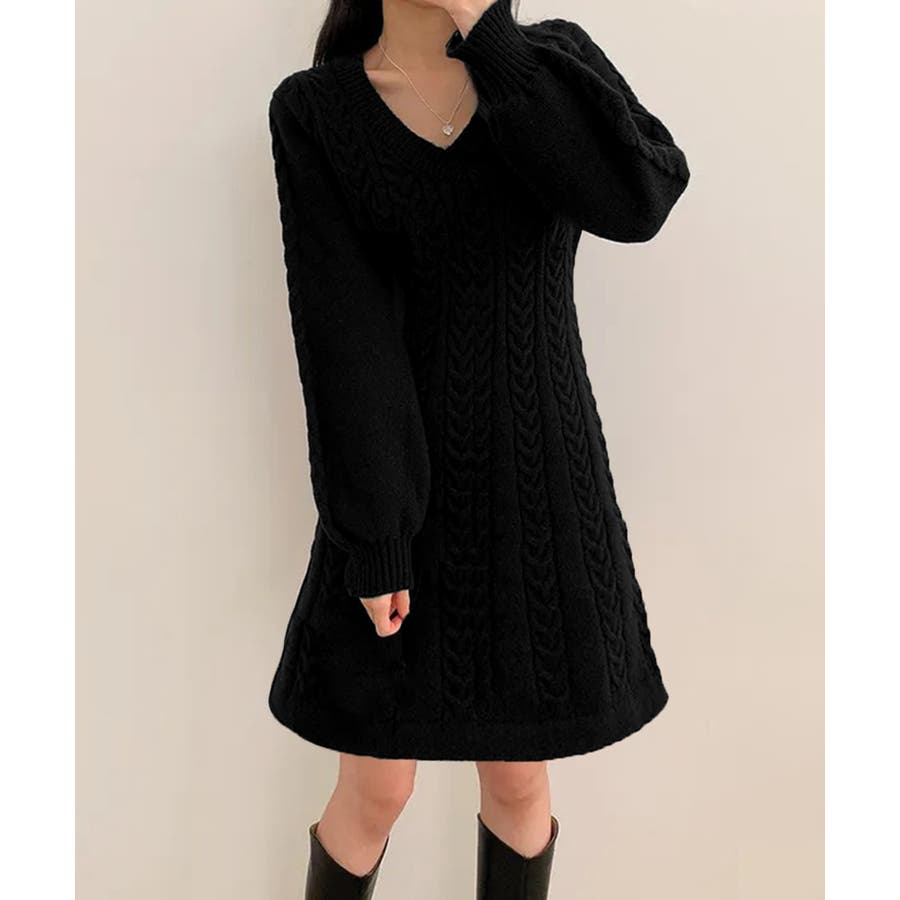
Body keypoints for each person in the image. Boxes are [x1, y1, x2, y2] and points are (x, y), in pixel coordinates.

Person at [266, 0, 690, 896]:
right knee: (376, 788)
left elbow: (639, 197)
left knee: (519, 781)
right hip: (396, 499)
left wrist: (489, 34)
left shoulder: (548, 65)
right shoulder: (318, 110)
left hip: (540, 494)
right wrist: (377, 538)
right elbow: (344, 341)